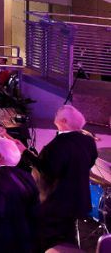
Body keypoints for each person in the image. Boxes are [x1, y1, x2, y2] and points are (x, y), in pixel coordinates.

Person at [34, 104, 98, 247]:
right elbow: (91, 160)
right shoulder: (88, 140)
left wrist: (25, 154)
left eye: (57, 114)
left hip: (57, 204)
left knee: (51, 241)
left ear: (63, 121)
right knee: (69, 236)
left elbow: (47, 170)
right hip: (78, 200)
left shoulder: (57, 145)